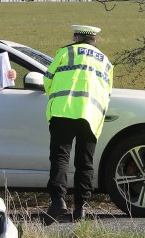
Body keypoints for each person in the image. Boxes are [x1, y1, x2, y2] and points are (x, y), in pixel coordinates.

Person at [43, 25, 114, 223]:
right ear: (94, 40)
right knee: (85, 162)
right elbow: (108, 92)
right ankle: (81, 207)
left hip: (63, 111)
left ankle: (58, 201)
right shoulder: (106, 62)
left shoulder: (65, 52)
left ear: (76, 37)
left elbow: (47, 80)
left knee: (60, 158)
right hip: (91, 115)